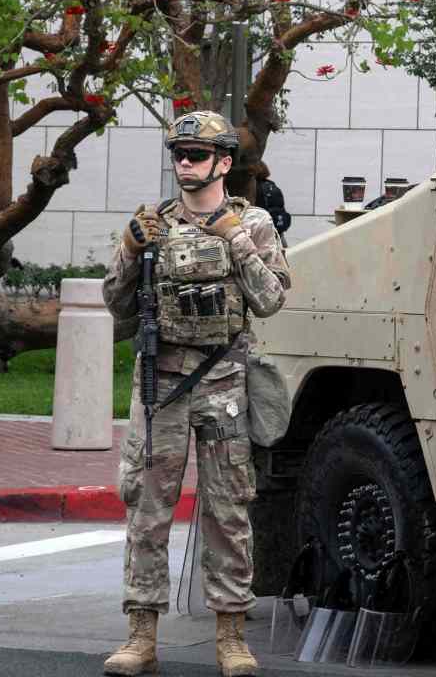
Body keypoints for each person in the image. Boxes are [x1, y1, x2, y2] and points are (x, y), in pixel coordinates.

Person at [101, 111, 293, 677]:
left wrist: (233, 239)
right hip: (160, 381)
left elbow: (271, 299)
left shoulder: (251, 222)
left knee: (229, 507)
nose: (185, 163)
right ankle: (141, 634)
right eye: (179, 154)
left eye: (197, 154)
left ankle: (231, 635)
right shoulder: (151, 225)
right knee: (147, 505)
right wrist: (130, 253)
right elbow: (115, 306)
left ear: (223, 163)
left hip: (223, 381)